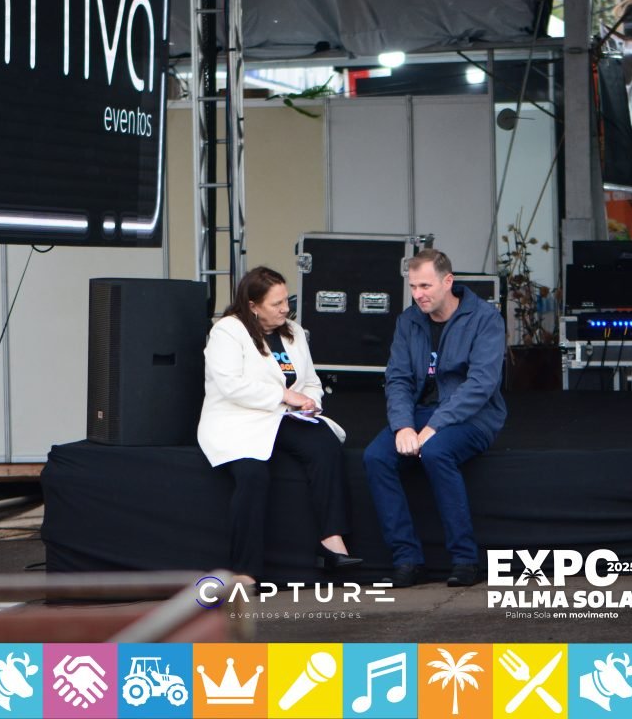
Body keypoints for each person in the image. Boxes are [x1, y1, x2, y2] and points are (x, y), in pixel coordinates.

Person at [197, 266, 361, 582]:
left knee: (324, 444)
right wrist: (285, 395)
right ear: (253, 306)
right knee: (253, 475)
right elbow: (231, 386)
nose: (286, 308)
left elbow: (311, 381)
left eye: (286, 300)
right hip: (237, 420)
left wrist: (310, 402)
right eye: (277, 303)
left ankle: (332, 541)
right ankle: (245, 572)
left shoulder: (293, 332)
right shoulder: (227, 331)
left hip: (283, 416)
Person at [363, 249, 506, 588]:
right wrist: (403, 425)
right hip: (419, 412)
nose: (418, 294)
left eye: (425, 285)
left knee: (436, 451)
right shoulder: (409, 320)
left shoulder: (484, 318)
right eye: (413, 286)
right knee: (375, 457)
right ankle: (408, 559)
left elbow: (481, 384)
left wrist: (434, 426)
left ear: (447, 281)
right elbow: (397, 378)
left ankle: (465, 559)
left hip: (473, 416)